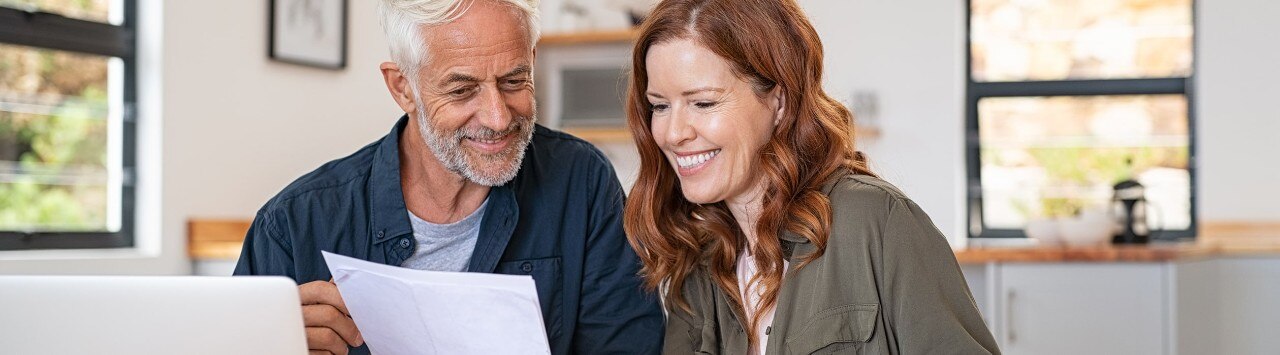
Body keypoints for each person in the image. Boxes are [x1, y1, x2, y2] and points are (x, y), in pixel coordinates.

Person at [233, 0, 664, 354]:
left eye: (514, 81)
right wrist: (270, 345)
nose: (497, 118)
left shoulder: (581, 182)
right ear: (403, 88)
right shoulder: (293, 225)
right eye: (461, 90)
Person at [622, 0, 1001, 354]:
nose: (673, 133)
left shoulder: (877, 221)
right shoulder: (697, 259)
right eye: (660, 106)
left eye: (703, 103)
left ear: (779, 101)